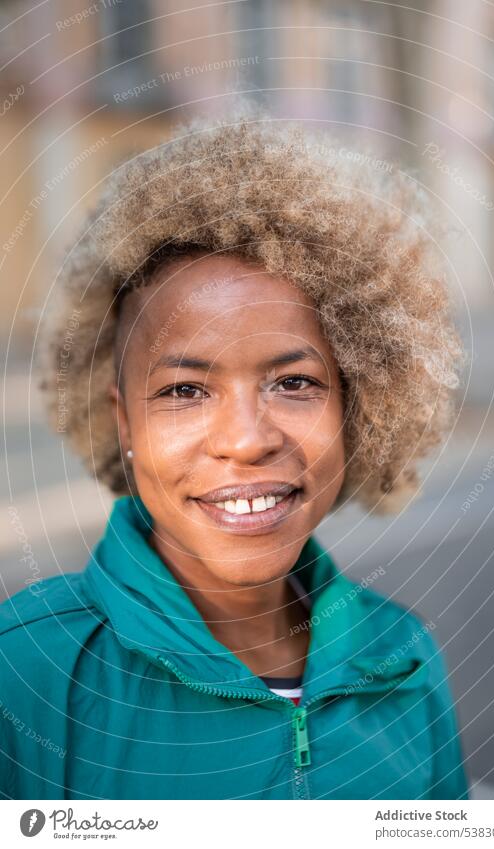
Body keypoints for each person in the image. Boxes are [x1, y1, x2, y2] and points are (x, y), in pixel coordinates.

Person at [0, 107, 468, 800]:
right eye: (185, 389)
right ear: (122, 420)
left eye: (294, 382)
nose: (247, 438)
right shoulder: (26, 667)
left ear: (358, 403)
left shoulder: (402, 656)